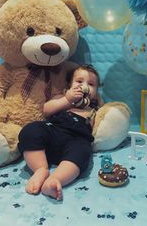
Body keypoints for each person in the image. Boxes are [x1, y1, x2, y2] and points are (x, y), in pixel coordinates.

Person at [18, 64, 101, 201]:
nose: (84, 86)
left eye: (91, 84)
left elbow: (103, 122)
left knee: (83, 151)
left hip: (76, 139)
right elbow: (46, 110)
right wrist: (67, 99)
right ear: (69, 85)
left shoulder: (95, 107)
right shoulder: (62, 97)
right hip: (53, 131)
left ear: (96, 91)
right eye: (79, 82)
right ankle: (40, 169)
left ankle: (55, 180)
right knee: (30, 130)